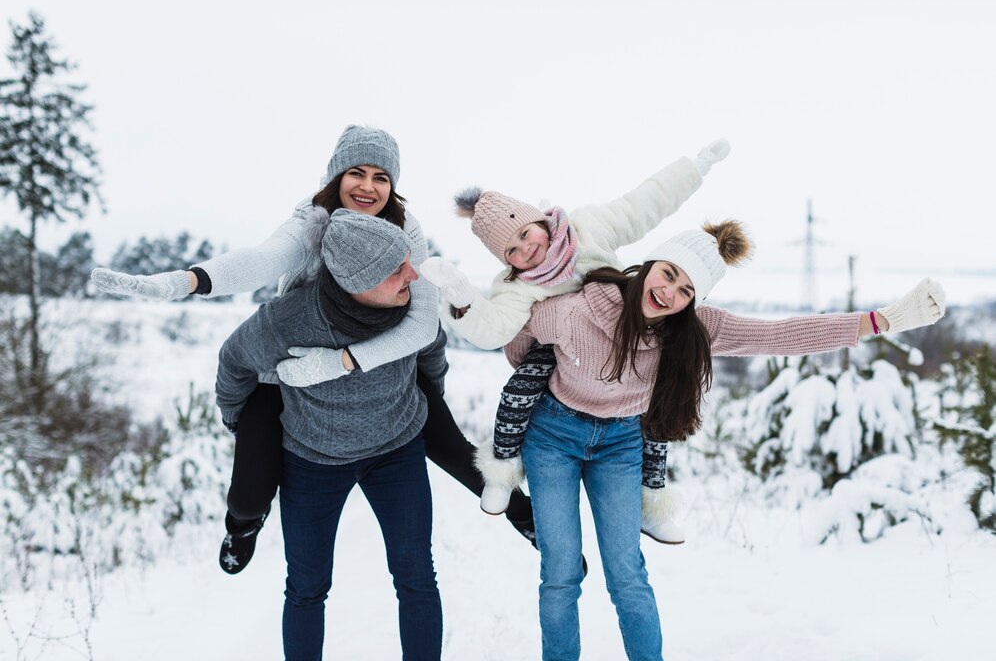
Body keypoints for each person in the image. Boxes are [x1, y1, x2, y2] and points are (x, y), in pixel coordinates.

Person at [90, 125, 537, 575]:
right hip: (296, 355)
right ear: (336, 176)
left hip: (384, 353)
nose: (367, 186)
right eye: (356, 173)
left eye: (381, 177)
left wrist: (347, 364)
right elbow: (262, 259)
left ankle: (524, 516)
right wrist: (185, 282)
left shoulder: (405, 228)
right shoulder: (311, 218)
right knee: (249, 491)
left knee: (448, 444)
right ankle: (243, 525)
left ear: (392, 185)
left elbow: (422, 326)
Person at [495, 220, 945, 660]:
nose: (669, 292)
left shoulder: (696, 328)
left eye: (686, 291)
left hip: (620, 444)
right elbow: (519, 332)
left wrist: (881, 320)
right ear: (652, 264)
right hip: (553, 436)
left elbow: (781, 335)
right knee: (560, 572)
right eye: (669, 274)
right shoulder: (579, 308)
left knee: (627, 575)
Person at [420, 139, 730, 543]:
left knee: (656, 398)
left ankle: (651, 501)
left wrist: (696, 167)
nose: (526, 249)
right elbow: (493, 329)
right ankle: (503, 469)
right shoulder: (516, 286)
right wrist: (463, 298)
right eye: (512, 250)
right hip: (560, 351)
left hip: (627, 333)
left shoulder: (588, 228)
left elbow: (644, 204)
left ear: (539, 221)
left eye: (525, 233)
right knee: (521, 387)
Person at [216, 210, 444, 660]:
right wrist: (235, 415)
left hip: (395, 452)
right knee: (306, 587)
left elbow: (430, 343)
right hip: (312, 461)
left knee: (417, 576)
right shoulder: (289, 320)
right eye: (398, 269)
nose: (413, 275)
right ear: (359, 281)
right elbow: (234, 357)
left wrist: (432, 390)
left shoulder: (409, 305)